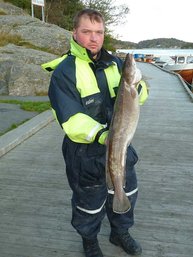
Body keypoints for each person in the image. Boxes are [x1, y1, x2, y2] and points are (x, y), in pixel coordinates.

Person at [45, 8, 148, 257]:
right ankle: (89, 240)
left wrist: (138, 87)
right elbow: (71, 119)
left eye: (99, 32)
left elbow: (139, 99)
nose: (94, 38)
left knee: (127, 190)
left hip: (121, 146)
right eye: (86, 32)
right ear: (75, 33)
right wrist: (104, 136)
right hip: (85, 152)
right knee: (88, 203)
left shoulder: (115, 64)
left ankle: (119, 231)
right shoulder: (65, 72)